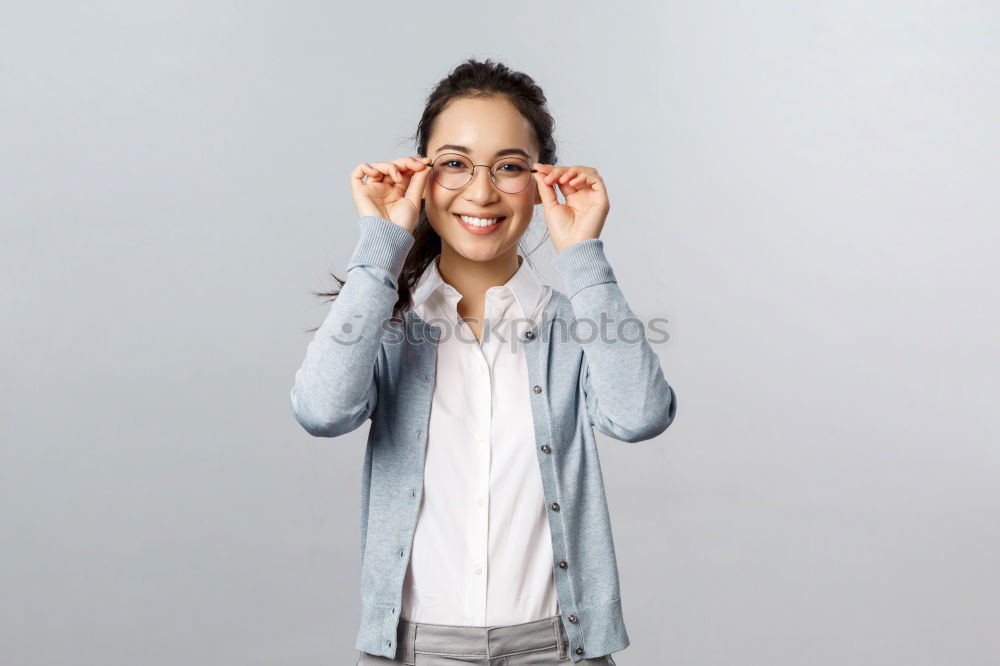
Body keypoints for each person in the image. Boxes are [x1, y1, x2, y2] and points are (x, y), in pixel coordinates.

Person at [290, 58, 677, 665]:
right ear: (421, 175)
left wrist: (584, 255)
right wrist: (381, 245)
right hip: (413, 651)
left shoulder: (571, 327)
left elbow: (641, 415)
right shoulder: (385, 326)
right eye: (455, 163)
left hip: (557, 649)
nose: (481, 191)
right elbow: (320, 410)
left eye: (509, 166)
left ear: (541, 178)